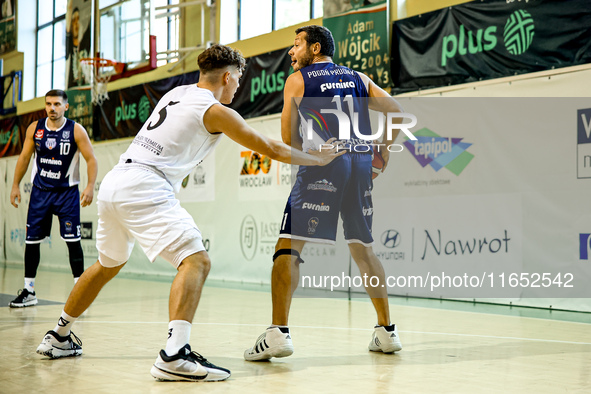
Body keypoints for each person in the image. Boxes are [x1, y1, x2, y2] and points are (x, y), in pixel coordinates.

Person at [35, 44, 344, 382]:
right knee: (196, 261)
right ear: (227, 77)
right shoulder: (215, 111)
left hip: (116, 182)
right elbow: (268, 147)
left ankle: (59, 335)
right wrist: (319, 157)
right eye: (237, 80)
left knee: (107, 264)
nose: (238, 86)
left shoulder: (177, 93)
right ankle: (173, 354)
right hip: (145, 185)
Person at [244, 25, 404, 361]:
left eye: (297, 44)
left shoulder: (298, 80)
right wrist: (383, 150)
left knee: (288, 245)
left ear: (315, 48)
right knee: (363, 248)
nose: (291, 51)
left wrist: (314, 158)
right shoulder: (359, 77)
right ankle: (387, 331)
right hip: (361, 164)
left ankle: (278, 333)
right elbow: (396, 112)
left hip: (324, 163)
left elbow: (289, 138)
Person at [9, 89, 97, 308]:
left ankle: (81, 291)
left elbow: (91, 159)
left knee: (72, 240)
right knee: (32, 241)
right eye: (48, 104)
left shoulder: (76, 130)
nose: (52, 108)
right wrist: (15, 185)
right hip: (40, 192)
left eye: (57, 104)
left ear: (66, 107)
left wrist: (90, 186)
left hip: (67, 193)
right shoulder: (35, 129)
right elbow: (24, 157)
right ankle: (29, 291)